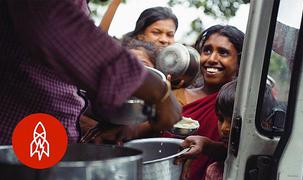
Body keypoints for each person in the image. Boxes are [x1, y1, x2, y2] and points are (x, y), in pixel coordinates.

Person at [0, 0, 181, 145]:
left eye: (169, 34)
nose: (164, 40)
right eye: (157, 32)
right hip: (19, 136)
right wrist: (156, 90)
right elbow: (58, 28)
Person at [169, 25, 245, 180]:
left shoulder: (244, 105)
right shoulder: (175, 95)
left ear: (240, 62)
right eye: (207, 50)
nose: (211, 59)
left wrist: (208, 146)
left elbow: (242, 152)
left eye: (223, 52)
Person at [179, 80, 280, 180]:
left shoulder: (280, 167)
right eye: (221, 119)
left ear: (266, 125)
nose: (224, 128)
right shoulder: (215, 172)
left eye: (234, 120)